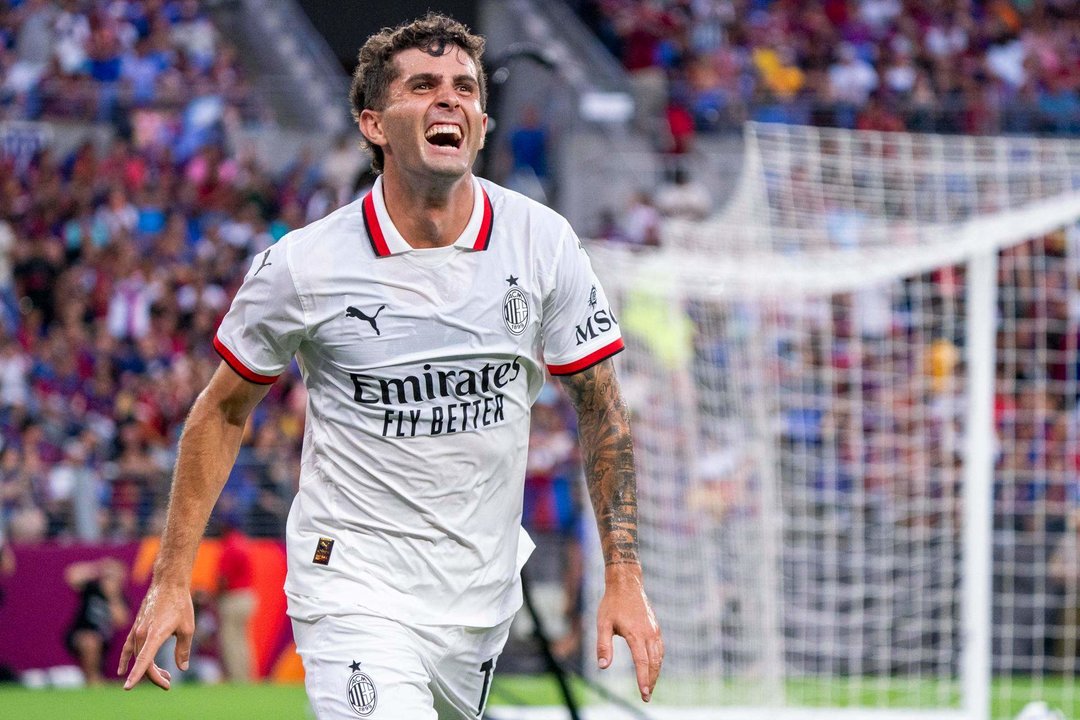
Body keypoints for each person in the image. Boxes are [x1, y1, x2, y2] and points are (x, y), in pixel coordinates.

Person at [119, 13, 663, 717]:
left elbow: (601, 407)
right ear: (375, 124)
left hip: (476, 598)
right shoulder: (306, 265)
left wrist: (624, 573)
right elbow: (221, 410)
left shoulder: (542, 243)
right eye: (424, 86)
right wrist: (171, 577)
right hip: (350, 587)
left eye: (465, 87)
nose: (451, 100)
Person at [65, 557, 130, 686]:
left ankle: (94, 678)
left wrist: (112, 596)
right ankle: (92, 679)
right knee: (90, 641)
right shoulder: (92, 589)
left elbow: (122, 621)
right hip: (80, 633)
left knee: (93, 641)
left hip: (103, 638)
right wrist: (98, 569)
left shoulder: (120, 598)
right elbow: (71, 576)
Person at [215, 516, 256, 682]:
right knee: (242, 640)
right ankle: (247, 677)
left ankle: (237, 678)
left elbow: (223, 578)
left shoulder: (229, 546)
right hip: (247, 596)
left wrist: (214, 595)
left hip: (233, 598)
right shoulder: (243, 543)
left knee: (230, 641)